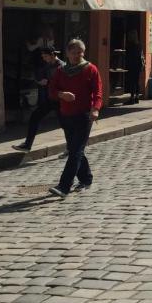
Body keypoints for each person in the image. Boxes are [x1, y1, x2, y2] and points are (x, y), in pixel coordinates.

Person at [47, 39, 102, 198]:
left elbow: (98, 92)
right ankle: (86, 178)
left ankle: (64, 186)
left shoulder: (91, 69)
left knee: (76, 151)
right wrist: (61, 94)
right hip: (66, 115)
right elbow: (51, 90)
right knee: (75, 149)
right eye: (74, 52)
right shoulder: (61, 71)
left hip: (84, 115)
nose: (78, 55)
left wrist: (95, 109)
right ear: (68, 53)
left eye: (80, 52)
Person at [13, 45, 63, 152]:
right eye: (43, 57)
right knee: (35, 117)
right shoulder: (48, 65)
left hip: (60, 100)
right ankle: (27, 145)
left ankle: (72, 148)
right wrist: (41, 81)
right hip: (50, 99)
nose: (44, 58)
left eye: (45, 56)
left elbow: (63, 84)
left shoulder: (62, 66)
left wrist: (48, 82)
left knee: (65, 124)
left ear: (52, 55)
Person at [124, 29, 144, 105]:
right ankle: (137, 97)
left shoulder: (131, 45)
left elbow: (130, 56)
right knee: (136, 81)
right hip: (138, 66)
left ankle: (132, 98)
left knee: (132, 82)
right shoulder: (139, 45)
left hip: (132, 65)